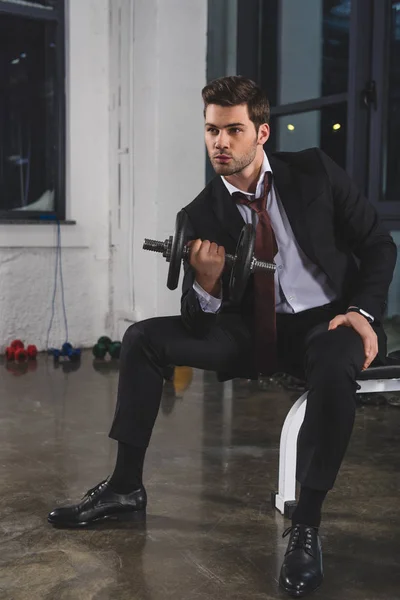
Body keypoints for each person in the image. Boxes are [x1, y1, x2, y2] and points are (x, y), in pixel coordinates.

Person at [48, 76, 397, 597]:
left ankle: (307, 521)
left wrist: (363, 312)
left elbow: (376, 243)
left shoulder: (314, 173)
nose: (220, 142)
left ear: (261, 132)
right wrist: (207, 286)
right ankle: (124, 487)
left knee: (331, 362)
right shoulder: (200, 214)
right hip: (250, 335)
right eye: (212, 130)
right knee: (142, 337)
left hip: (329, 323)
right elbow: (195, 319)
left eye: (233, 130)